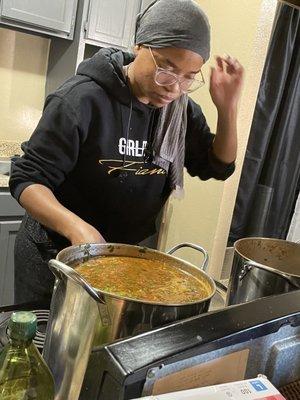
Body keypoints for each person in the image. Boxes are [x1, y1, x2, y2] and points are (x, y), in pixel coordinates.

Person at [9, 0, 244, 306]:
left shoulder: (180, 112)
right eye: (167, 67)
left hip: (123, 256)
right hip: (54, 251)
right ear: (139, 45)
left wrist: (228, 108)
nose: (174, 87)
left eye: (189, 76)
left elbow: (219, 166)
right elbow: (27, 180)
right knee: (45, 342)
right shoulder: (81, 99)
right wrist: (77, 228)